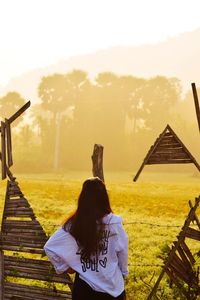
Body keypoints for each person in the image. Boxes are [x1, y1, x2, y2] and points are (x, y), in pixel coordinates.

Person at [44, 177, 128, 300]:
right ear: (104, 198)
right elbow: (123, 252)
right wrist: (123, 273)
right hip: (112, 289)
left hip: (84, 287)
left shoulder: (74, 224)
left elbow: (50, 247)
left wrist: (67, 267)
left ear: (83, 198)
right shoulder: (114, 224)